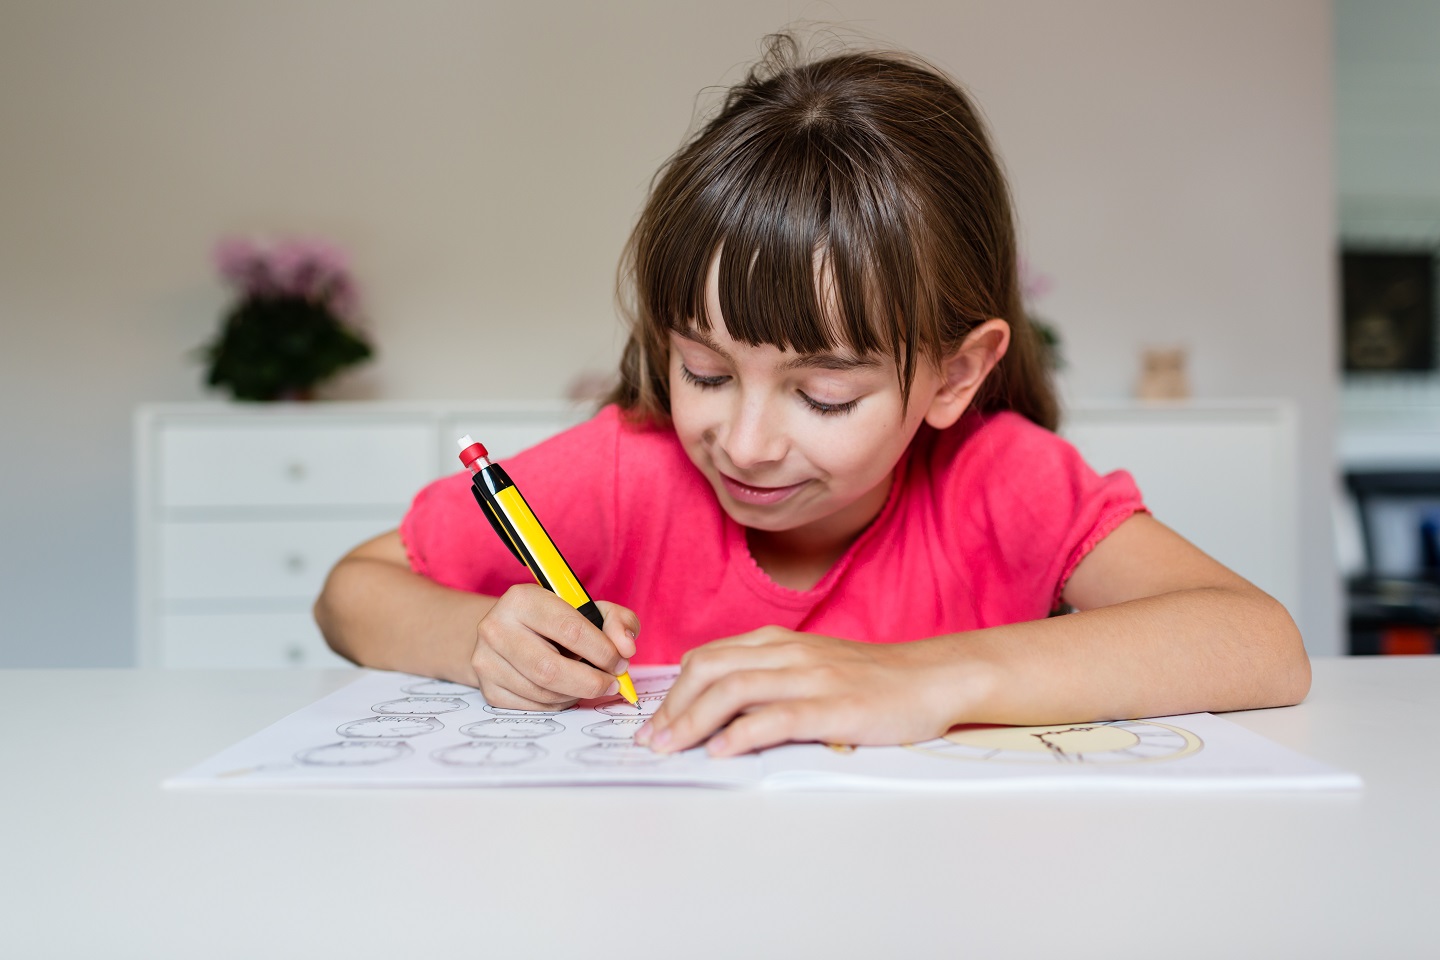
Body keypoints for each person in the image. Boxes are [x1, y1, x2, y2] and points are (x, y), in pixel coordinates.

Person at [314, 36, 1310, 759]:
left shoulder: (1002, 481)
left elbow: (1260, 644)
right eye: (704, 371)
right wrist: (478, 643)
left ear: (955, 375)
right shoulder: (628, 469)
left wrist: (923, 677)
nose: (743, 442)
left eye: (824, 394)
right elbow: (351, 592)